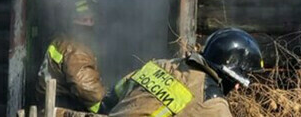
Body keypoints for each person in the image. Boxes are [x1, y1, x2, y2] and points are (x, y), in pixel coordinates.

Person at [102, 27, 263, 117]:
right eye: (237, 82)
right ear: (227, 73)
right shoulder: (212, 104)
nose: (236, 88)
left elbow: (113, 95)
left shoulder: (162, 65)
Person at [37, 0, 107, 113]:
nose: (89, 24)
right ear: (72, 21)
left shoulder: (60, 41)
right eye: (84, 20)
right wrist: (105, 106)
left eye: (92, 19)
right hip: (64, 110)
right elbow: (86, 88)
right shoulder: (75, 48)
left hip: (51, 108)